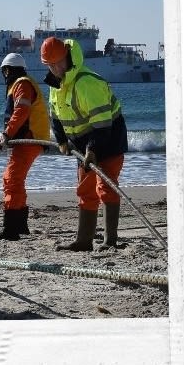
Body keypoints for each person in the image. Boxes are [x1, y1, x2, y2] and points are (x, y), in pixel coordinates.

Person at [41, 36, 130, 250]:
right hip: (83, 144)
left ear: (68, 56)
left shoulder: (87, 82)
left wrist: (92, 149)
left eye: (59, 63)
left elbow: (103, 124)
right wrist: (62, 140)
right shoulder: (56, 84)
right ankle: (84, 241)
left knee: (106, 187)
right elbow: (55, 116)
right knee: (85, 189)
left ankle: (110, 241)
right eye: (50, 65)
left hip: (109, 139)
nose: (56, 69)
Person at [0, 52, 50, 241]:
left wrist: (6, 134)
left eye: (4, 71)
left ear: (7, 70)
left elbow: (21, 111)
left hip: (30, 140)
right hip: (28, 139)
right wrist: (4, 139)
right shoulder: (22, 83)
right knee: (14, 179)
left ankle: (11, 229)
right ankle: (21, 226)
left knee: (11, 180)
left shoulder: (21, 84)